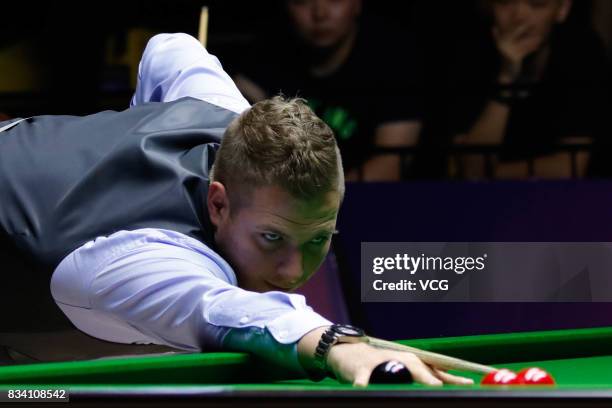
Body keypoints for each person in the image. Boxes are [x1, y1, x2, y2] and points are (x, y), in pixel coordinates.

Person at [0, 33, 472, 386]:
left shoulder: (227, 119)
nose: (292, 270)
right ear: (218, 202)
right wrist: (334, 344)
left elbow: (171, 47)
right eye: (271, 238)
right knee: (37, 391)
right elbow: (226, 309)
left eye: (317, 238)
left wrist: (136, 128)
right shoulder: (139, 261)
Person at [234, 0, 423, 181]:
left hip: (368, 204)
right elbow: (237, 144)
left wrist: (320, 205)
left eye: (335, 0)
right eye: (302, 1)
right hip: (282, 202)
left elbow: (390, 164)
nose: (320, 13)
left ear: (357, 4)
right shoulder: (264, 55)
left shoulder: (393, 61)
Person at [449, 0, 609, 179]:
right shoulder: (470, 53)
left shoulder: (581, 52)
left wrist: (492, 173)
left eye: (537, 4)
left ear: (562, 9)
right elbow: (472, 169)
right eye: (505, 3)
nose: (519, 16)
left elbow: (571, 168)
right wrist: (506, 77)